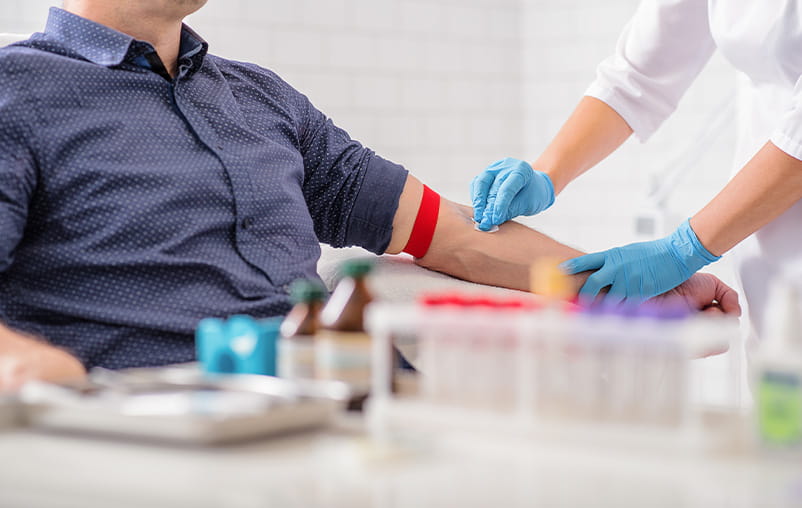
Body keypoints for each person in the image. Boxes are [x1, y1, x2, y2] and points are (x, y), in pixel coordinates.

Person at [0, 0, 740, 390]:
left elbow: (452, 236)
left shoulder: (263, 102)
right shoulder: (17, 95)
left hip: (341, 415)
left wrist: (624, 292)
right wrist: (34, 373)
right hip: (154, 434)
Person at [471, 0, 802, 332]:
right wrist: (547, 172)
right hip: (764, 260)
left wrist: (685, 248)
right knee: (776, 367)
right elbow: (636, 77)